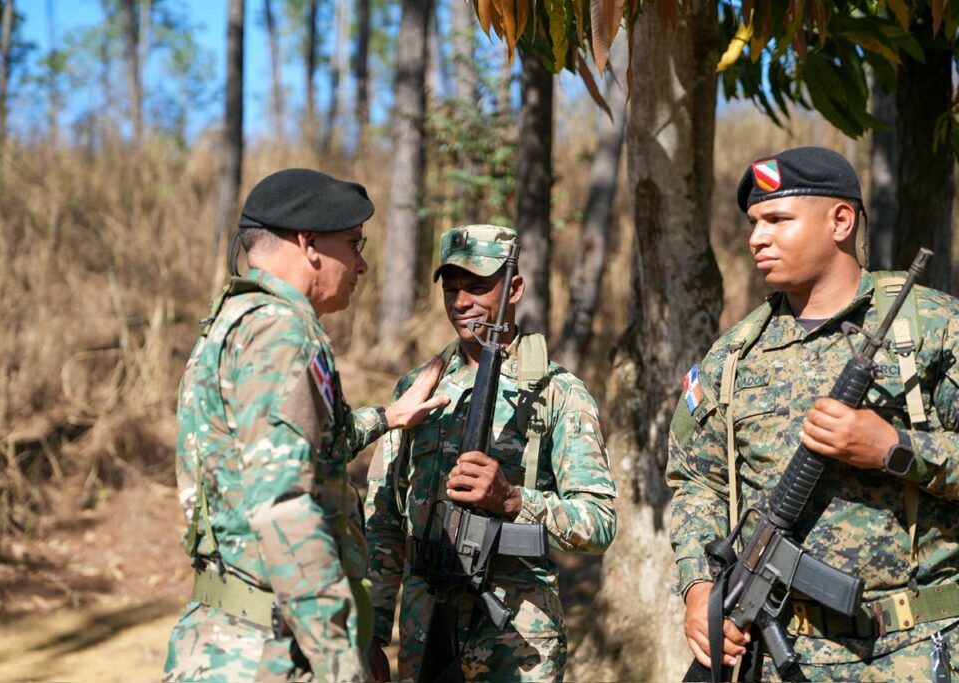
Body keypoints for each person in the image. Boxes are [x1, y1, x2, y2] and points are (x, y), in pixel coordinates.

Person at [667, 146, 959, 681]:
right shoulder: (734, 355)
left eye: (777, 220)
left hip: (912, 651)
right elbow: (695, 482)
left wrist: (896, 450)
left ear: (840, 221)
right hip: (776, 653)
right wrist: (698, 587)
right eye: (754, 223)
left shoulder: (931, 327)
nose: (756, 237)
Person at [164, 168, 449, 682]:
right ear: (309, 243)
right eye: (353, 244)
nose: (362, 264)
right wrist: (339, 660)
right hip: (270, 650)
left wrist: (390, 417)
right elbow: (283, 505)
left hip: (226, 635)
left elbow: (303, 447)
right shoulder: (280, 331)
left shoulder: (234, 321)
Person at [365, 225, 618, 682]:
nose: (462, 302)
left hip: (517, 636)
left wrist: (513, 501)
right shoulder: (417, 390)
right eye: (451, 289)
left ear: (514, 288)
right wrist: (373, 631)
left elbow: (599, 521)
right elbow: (383, 517)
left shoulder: (556, 392)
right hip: (424, 625)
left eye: (479, 287)